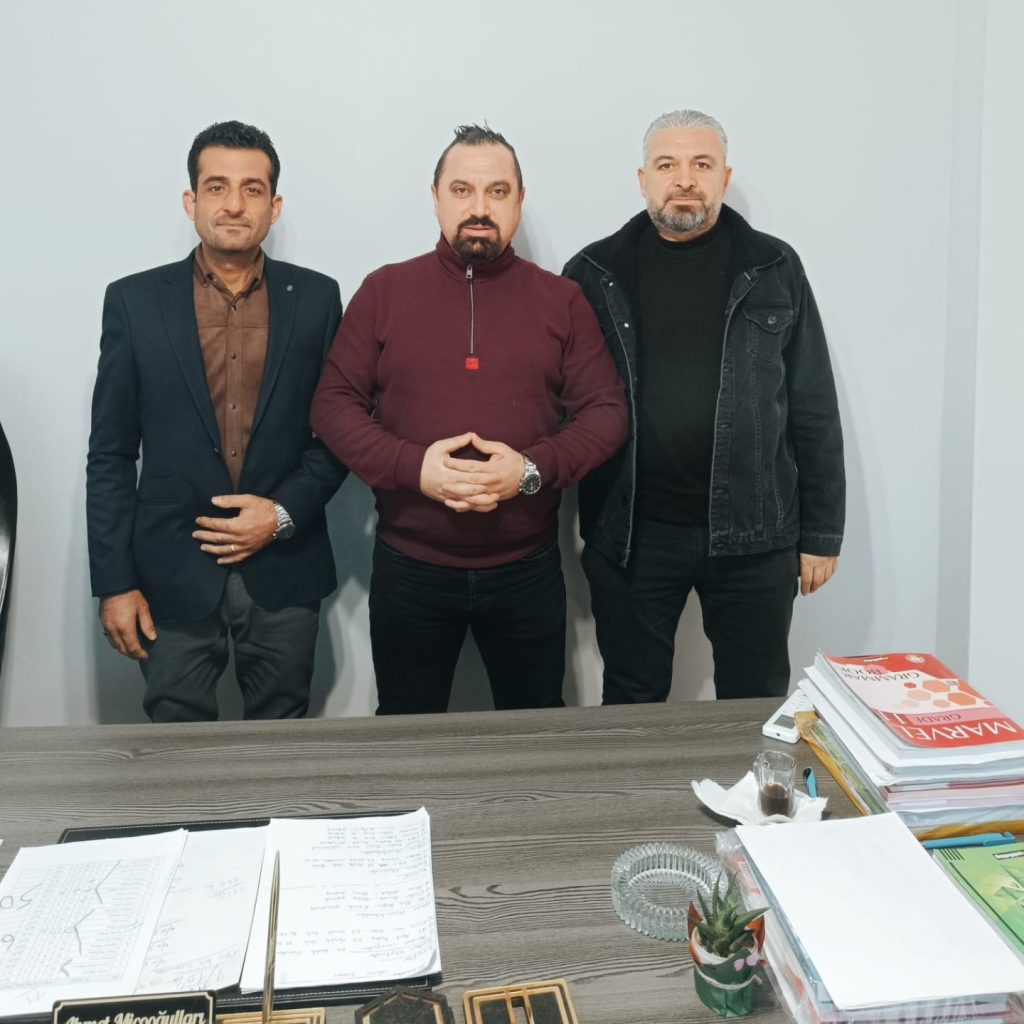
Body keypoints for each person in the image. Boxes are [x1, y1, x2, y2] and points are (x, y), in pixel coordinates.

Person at [311, 124, 627, 715]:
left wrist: (530, 470)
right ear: (435, 198)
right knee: (407, 731)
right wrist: (415, 469)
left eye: (497, 192)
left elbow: (606, 412)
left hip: (527, 569)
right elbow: (332, 404)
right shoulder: (384, 291)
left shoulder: (561, 300)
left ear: (520, 201)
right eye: (462, 190)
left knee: (534, 729)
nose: (479, 208)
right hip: (410, 567)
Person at [563, 109, 844, 704]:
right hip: (633, 533)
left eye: (702, 164)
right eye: (667, 165)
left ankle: (749, 776)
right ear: (643, 179)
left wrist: (822, 533)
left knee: (754, 698)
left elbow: (813, 404)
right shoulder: (593, 273)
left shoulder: (774, 268)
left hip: (755, 534)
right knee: (632, 699)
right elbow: (565, 404)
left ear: (725, 177)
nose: (685, 179)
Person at [87, 120, 347, 722]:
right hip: (168, 572)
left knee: (283, 742)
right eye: (217, 187)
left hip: (286, 569)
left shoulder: (318, 299)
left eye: (252, 189)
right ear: (191, 201)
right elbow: (111, 454)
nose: (234, 204)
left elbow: (339, 434)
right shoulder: (133, 301)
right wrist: (115, 583)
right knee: (176, 748)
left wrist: (280, 514)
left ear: (274, 206)